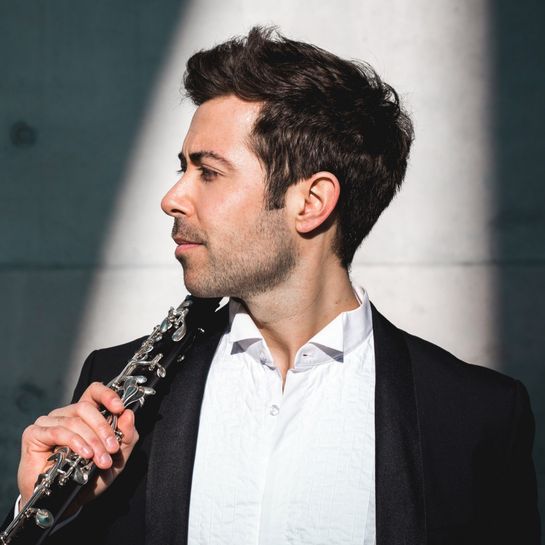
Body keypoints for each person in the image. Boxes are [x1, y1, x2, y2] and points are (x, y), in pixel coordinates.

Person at [3, 27, 540, 545]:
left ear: (311, 202)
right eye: (182, 168)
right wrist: (42, 517)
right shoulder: (114, 394)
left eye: (208, 172)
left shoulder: (476, 418)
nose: (172, 198)